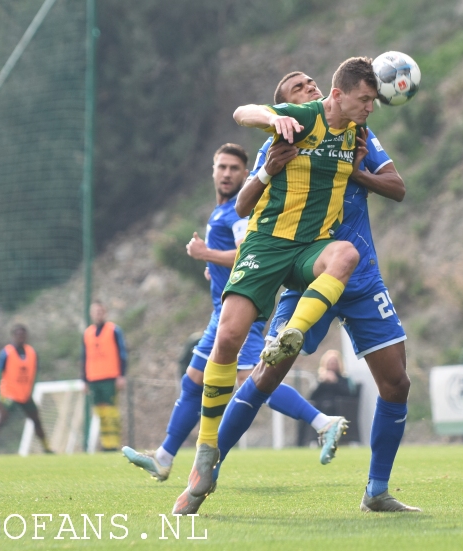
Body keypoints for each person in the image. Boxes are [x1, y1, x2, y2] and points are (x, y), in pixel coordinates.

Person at [173, 67, 419, 514]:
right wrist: (267, 165)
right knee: (265, 375)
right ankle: (202, 476)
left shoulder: (357, 131)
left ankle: (376, 492)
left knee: (397, 381)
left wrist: (355, 171)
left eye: (311, 84)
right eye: (297, 90)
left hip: (355, 269)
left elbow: (397, 186)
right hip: (303, 267)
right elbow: (244, 201)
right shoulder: (287, 134)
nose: (308, 90)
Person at [121, 143, 346, 481]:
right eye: (221, 167)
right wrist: (215, 266)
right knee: (193, 382)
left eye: (234, 169)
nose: (227, 174)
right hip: (218, 314)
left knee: (254, 379)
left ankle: (322, 422)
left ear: (245, 173)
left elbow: (245, 252)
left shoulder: (239, 213)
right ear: (213, 171)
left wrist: (206, 254)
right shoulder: (221, 211)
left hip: (239, 314)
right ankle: (165, 457)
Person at [0, 324, 52, 455]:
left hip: (25, 395)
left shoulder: (31, 352)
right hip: (9, 395)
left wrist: (31, 390)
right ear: (13, 336)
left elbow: (35, 374)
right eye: (18, 335)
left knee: (36, 420)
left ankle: (47, 448)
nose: (21, 337)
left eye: (23, 335)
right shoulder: (6, 352)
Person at [82, 301, 128, 452]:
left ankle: (113, 444)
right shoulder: (87, 333)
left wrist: (121, 375)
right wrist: (84, 379)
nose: (98, 314)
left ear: (105, 312)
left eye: (100, 311)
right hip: (94, 378)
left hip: (110, 376)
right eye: (95, 311)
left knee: (111, 412)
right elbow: (84, 357)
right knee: (100, 412)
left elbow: (122, 353)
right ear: (91, 313)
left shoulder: (114, 330)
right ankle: (105, 443)